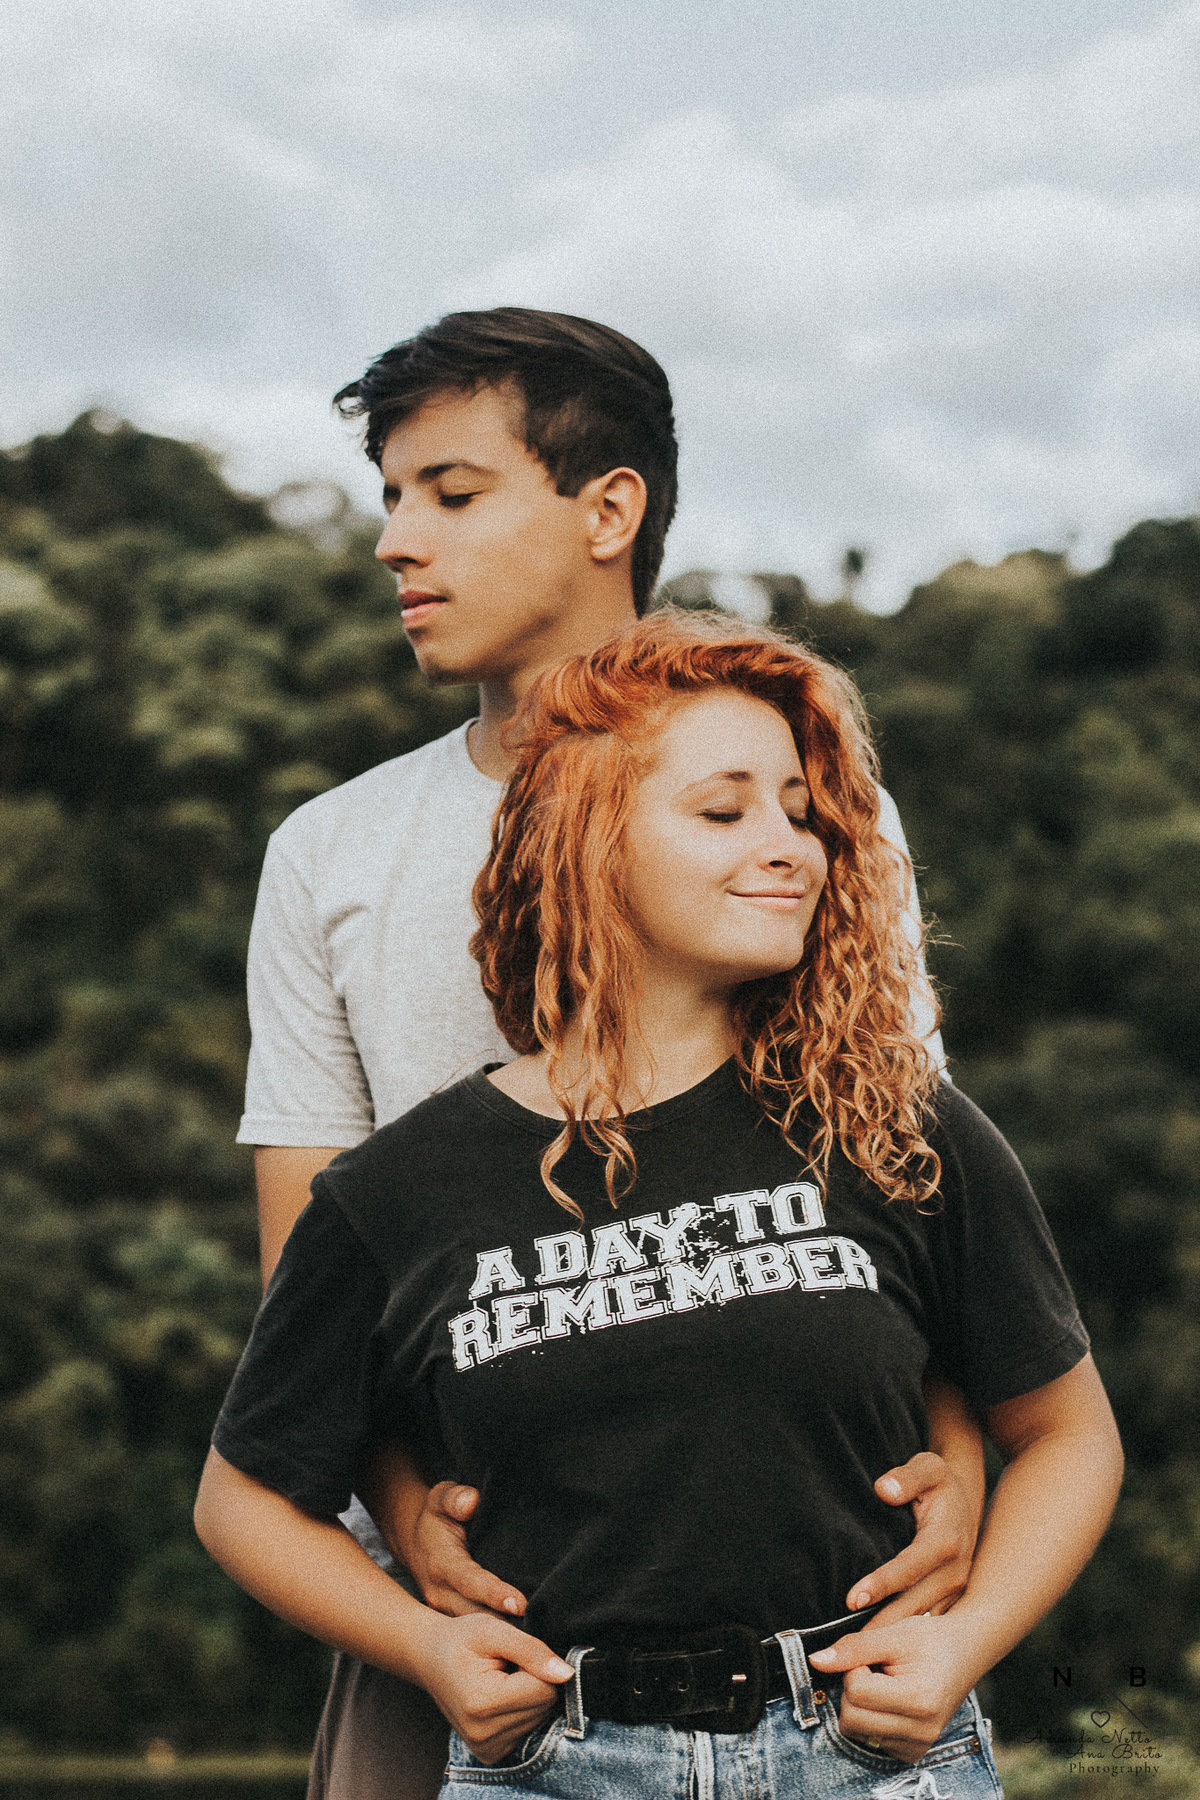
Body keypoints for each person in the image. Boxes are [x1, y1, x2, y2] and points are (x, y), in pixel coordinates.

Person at [236, 308, 984, 1800]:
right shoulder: (330, 852)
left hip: (815, 1631)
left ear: (609, 510)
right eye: (391, 496)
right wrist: (409, 1523)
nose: (396, 539)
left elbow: (902, 1186)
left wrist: (954, 1472)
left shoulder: (801, 813)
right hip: (468, 1634)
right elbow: (309, 1265)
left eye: (451, 492)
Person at [199, 611, 1123, 1799]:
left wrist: (966, 1641)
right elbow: (241, 1502)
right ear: (588, 843)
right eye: (724, 812)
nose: (791, 847)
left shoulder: (892, 1123)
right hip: (553, 1768)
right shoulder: (396, 1193)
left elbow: (1068, 1436)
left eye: (800, 812)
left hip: (872, 1762)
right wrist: (425, 1645)